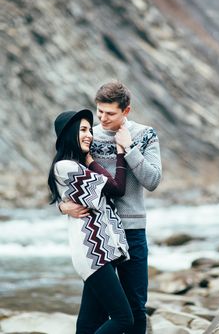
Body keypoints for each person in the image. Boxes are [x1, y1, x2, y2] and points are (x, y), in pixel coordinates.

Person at [60, 81, 162, 334]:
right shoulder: (88, 136)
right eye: (100, 112)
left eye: (110, 113)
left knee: (136, 306)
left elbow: (152, 181)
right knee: (95, 310)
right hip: (98, 234)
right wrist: (63, 206)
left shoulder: (145, 134)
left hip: (133, 231)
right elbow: (65, 177)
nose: (102, 119)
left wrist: (128, 148)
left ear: (126, 111)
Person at [48, 109, 134, 334]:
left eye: (89, 130)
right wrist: (119, 152)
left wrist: (62, 206)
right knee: (124, 319)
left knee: (88, 323)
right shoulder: (66, 167)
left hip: (101, 253)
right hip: (93, 254)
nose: (89, 135)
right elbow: (117, 188)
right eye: (83, 130)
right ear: (69, 135)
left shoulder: (79, 166)